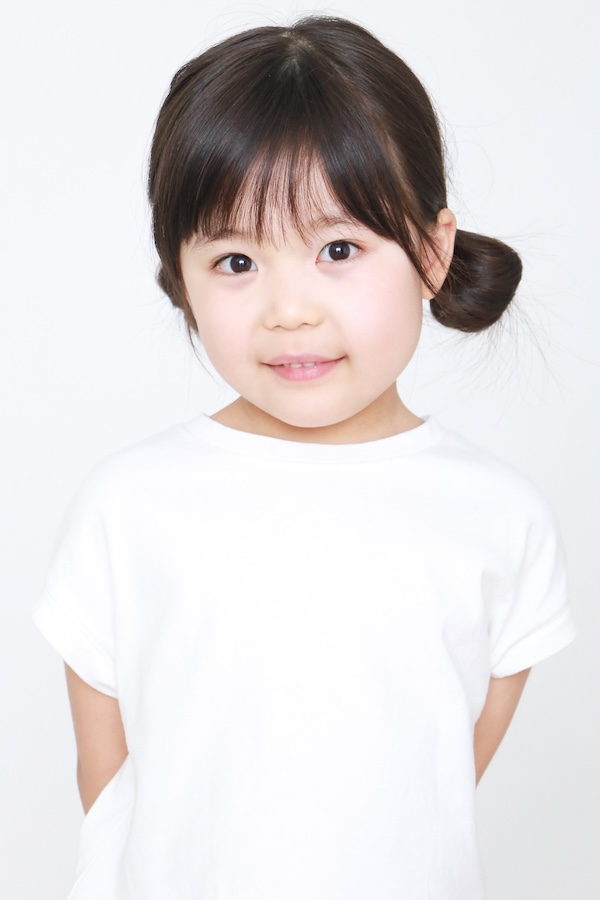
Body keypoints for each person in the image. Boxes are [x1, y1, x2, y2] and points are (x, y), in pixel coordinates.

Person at [33, 16, 575, 899]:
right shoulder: (129, 506)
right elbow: (111, 788)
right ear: (180, 275)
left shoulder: (500, 519)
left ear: (431, 252)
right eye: (236, 261)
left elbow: (432, 792)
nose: (289, 310)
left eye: (338, 249)